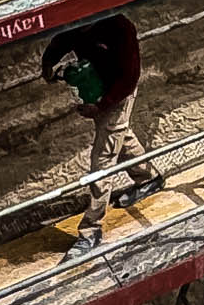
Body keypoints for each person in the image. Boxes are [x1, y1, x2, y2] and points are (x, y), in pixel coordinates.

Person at [41, 13, 145, 246]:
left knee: (102, 159)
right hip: (97, 87)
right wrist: (48, 62)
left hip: (118, 94)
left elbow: (130, 77)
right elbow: (62, 41)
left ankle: (91, 229)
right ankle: (148, 178)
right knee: (119, 134)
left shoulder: (121, 28)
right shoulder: (78, 25)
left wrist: (101, 106)